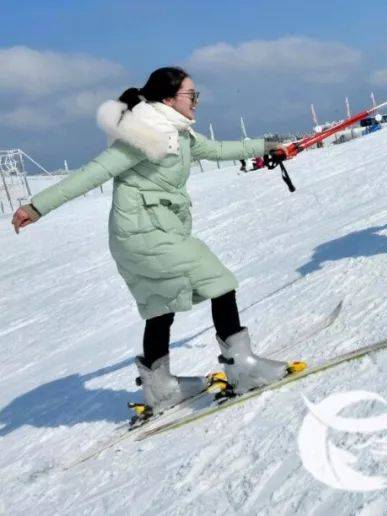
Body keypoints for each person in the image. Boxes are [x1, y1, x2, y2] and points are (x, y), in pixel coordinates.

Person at [10, 67, 293, 417]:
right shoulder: (143, 137)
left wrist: (267, 144)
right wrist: (37, 207)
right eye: (192, 96)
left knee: (160, 305)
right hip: (142, 234)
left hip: (154, 231)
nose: (197, 103)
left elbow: (218, 148)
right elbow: (91, 173)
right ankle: (243, 368)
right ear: (168, 99)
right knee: (220, 282)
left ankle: (160, 389)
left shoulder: (179, 133)